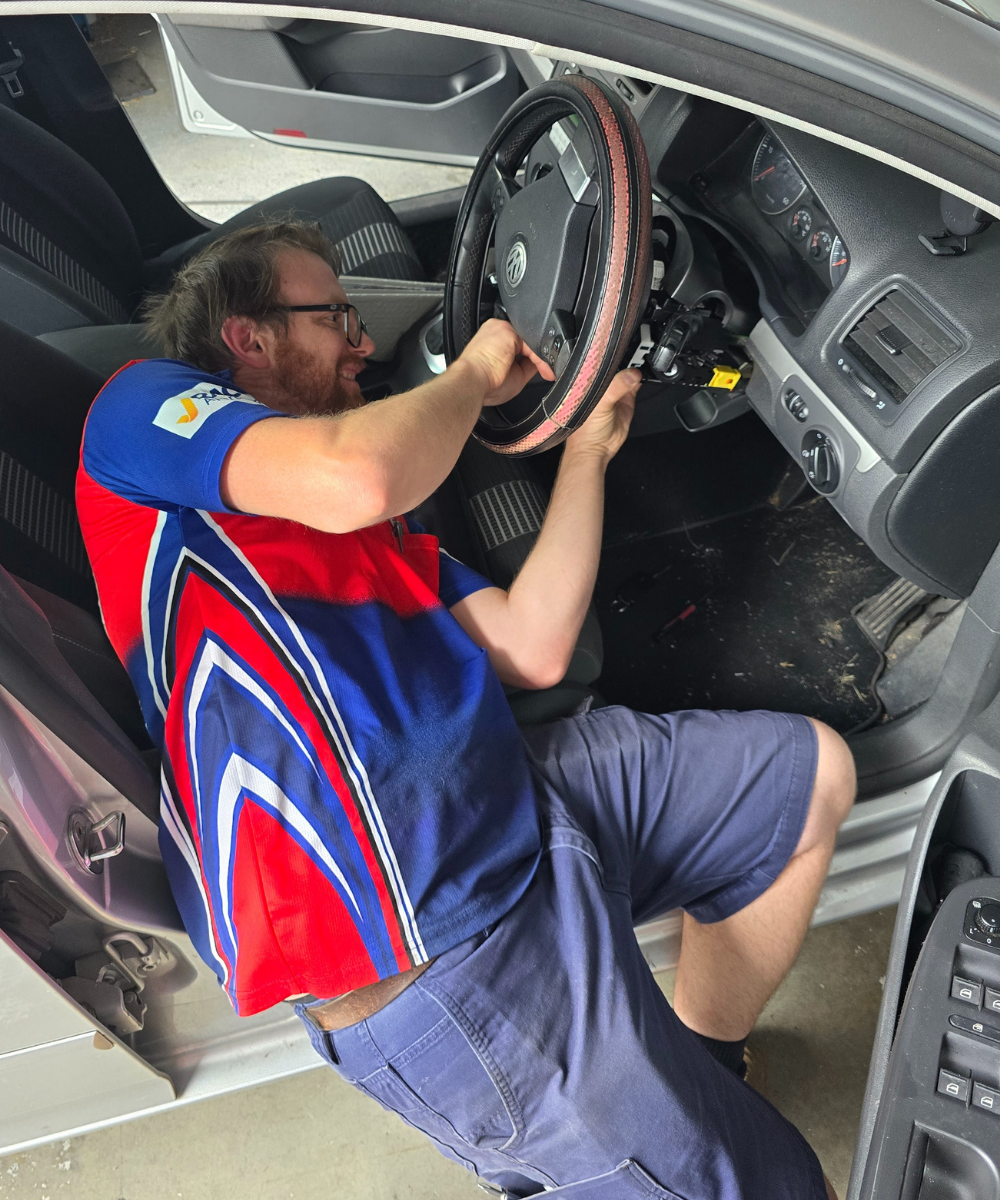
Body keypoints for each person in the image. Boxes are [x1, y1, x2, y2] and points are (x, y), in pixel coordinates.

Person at [76, 219, 854, 1200]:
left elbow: (533, 645)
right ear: (248, 337)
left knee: (799, 788)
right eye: (336, 318)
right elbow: (356, 471)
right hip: (433, 954)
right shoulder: (142, 417)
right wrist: (476, 370)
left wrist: (589, 450)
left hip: (518, 809)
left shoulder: (374, 538)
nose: (360, 342)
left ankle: (703, 1065)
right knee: (775, 1189)